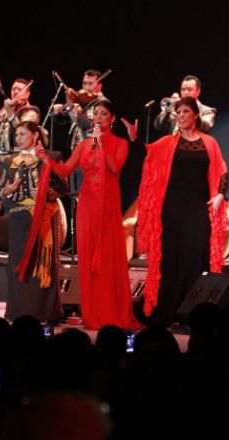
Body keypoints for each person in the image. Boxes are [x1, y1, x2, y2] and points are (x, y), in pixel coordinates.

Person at [49, 100, 142, 330]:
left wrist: (101, 144)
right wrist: (45, 159)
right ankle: (93, 313)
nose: (98, 117)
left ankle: (111, 311)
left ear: (112, 118)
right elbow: (65, 170)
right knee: (89, 260)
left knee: (108, 261)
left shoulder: (120, 143)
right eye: (96, 114)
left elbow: (114, 167)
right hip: (87, 208)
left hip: (109, 208)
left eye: (104, 113)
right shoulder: (83, 144)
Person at [137, 96, 228, 327]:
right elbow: (147, 154)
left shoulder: (209, 143)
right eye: (179, 112)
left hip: (198, 207)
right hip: (172, 208)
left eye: (185, 111)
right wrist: (133, 137)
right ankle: (167, 312)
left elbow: (222, 171)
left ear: (195, 115)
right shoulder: (168, 142)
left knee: (196, 257)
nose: (181, 116)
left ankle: (192, 315)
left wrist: (219, 194)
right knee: (171, 259)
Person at [0, 121, 67, 322]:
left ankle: (44, 312)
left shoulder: (50, 157)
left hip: (44, 216)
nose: (17, 138)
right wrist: (8, 191)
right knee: (19, 265)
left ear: (35, 136)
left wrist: (48, 192)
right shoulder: (10, 161)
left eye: (22, 134)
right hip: (19, 219)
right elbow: (2, 192)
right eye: (16, 134)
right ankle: (19, 313)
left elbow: (63, 187)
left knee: (42, 265)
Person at [53, 69, 109, 151]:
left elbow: (84, 123)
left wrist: (70, 103)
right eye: (84, 83)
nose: (86, 87)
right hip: (77, 151)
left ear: (99, 86)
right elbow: (61, 120)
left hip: (94, 150)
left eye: (90, 84)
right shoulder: (81, 103)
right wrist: (57, 111)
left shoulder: (104, 104)